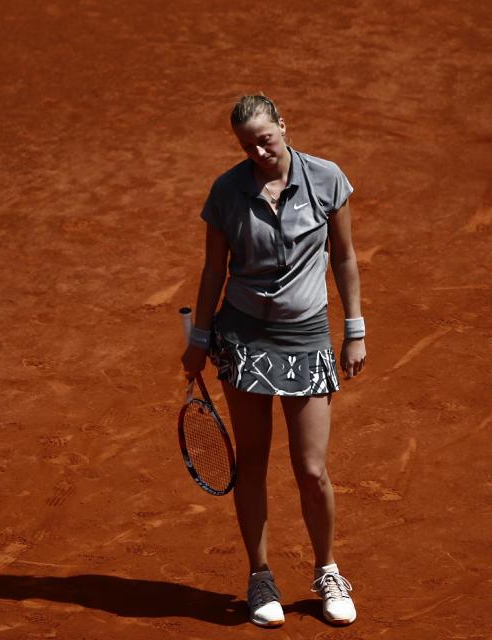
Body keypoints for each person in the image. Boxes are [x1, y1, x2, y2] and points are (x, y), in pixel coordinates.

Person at [181, 94, 367, 628]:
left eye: (266, 136)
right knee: (254, 463)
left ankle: (327, 569)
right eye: (248, 144)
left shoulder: (328, 179)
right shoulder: (226, 193)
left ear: (284, 126)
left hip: (307, 337)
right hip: (244, 339)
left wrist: (354, 330)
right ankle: (260, 575)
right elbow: (215, 270)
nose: (259, 150)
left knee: (311, 469)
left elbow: (346, 256)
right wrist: (199, 338)